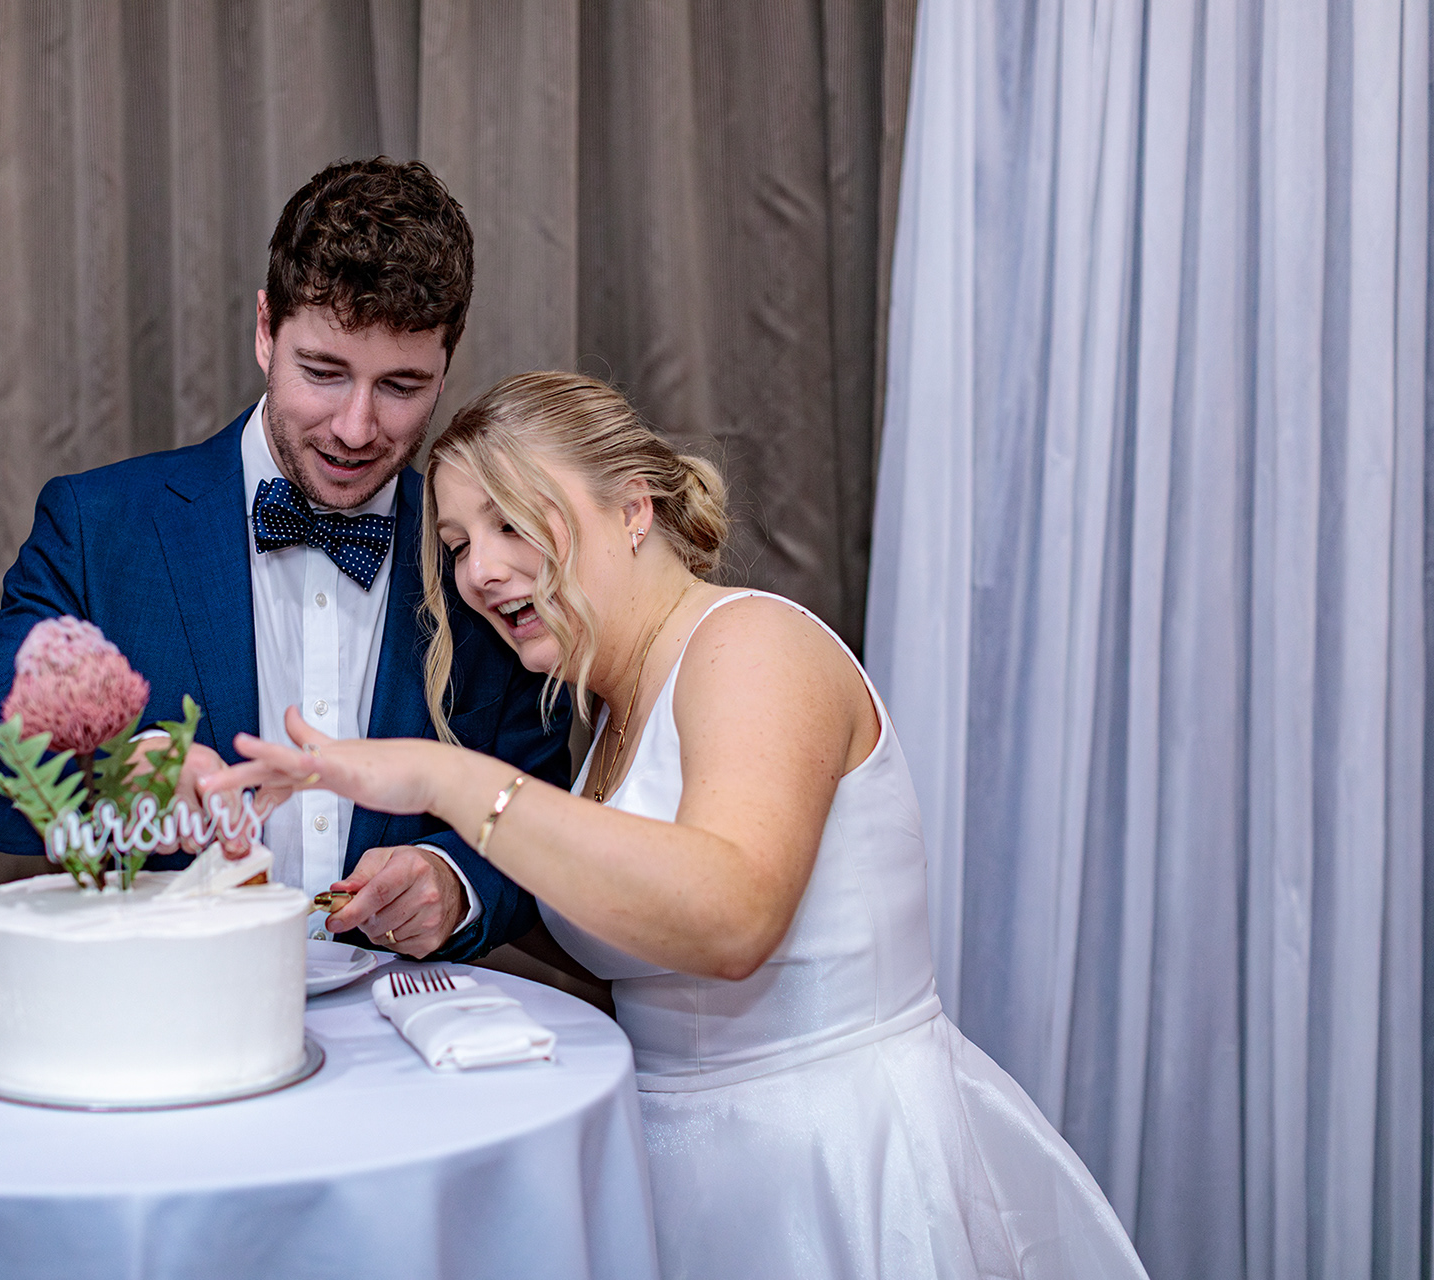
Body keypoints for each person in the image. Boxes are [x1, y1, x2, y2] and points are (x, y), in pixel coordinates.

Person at [207, 371, 1152, 1279]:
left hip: (831, 1167)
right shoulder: (607, 722)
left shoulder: (753, 643)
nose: (479, 571)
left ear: (632, 509)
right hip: (673, 1171)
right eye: (456, 543)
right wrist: (446, 892)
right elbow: (641, 946)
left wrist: (448, 780)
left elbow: (730, 920)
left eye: (512, 521)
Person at [0, 159, 570, 962]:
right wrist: (117, 774)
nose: (356, 428)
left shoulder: (485, 558)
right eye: (323, 373)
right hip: (170, 1009)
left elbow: (550, 811)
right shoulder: (101, 527)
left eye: (401, 386)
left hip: (401, 1020)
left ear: (445, 367)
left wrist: (458, 882)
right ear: (265, 330)